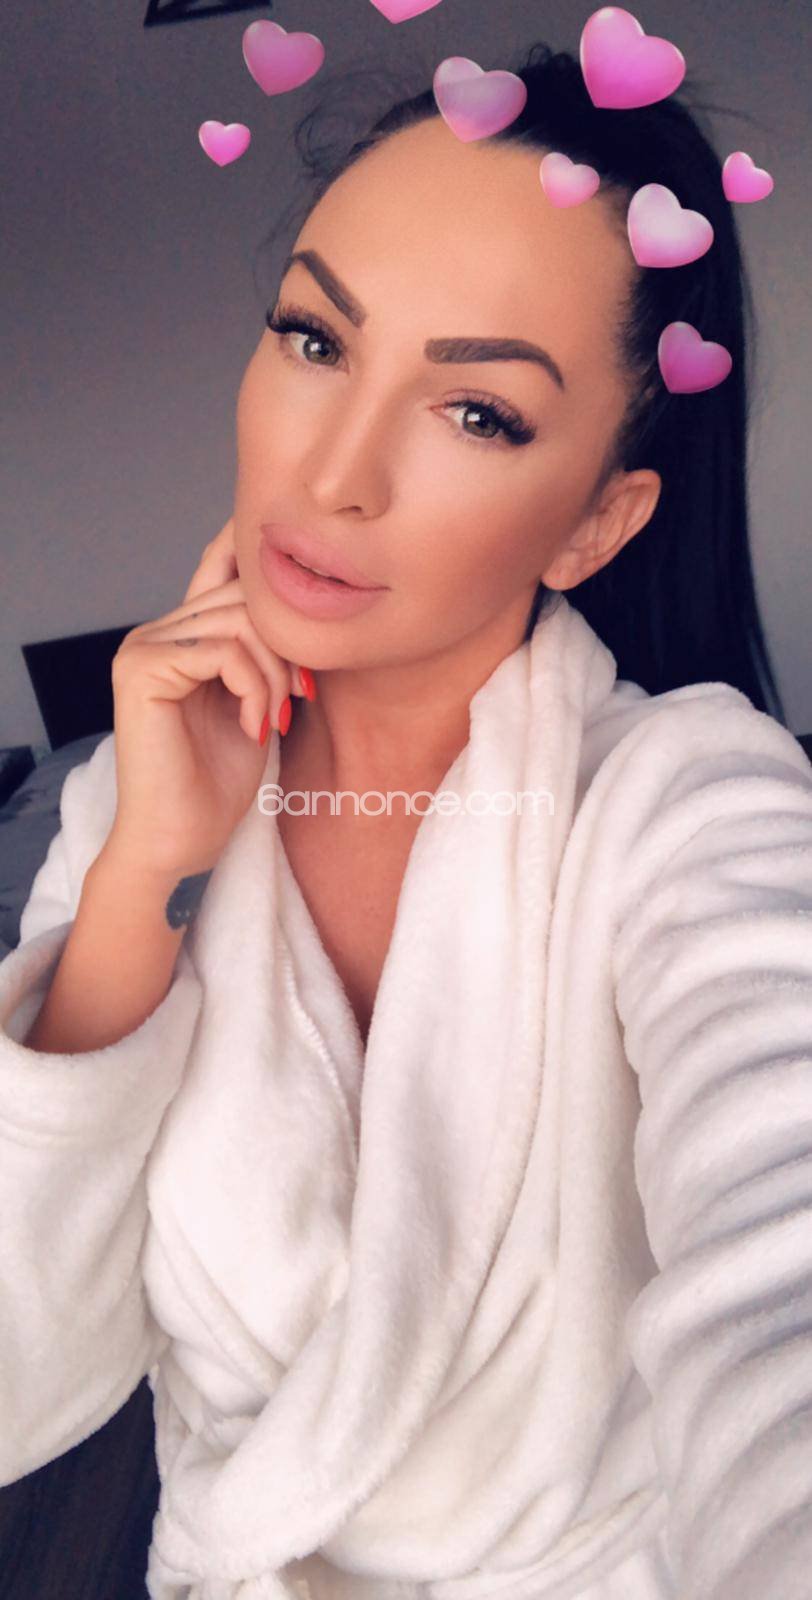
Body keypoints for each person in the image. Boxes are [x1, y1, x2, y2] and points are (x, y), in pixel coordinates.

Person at [1, 40, 811, 1600]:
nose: (335, 473)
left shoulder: (691, 807)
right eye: (315, 339)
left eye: (480, 413)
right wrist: (140, 871)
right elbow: (23, 1369)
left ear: (597, 520)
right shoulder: (127, 806)